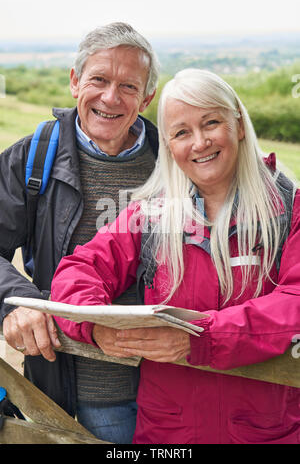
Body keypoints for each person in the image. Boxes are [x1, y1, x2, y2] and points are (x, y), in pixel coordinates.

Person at [51, 68, 300, 444]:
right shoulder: (149, 215)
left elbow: (294, 304)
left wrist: (199, 340)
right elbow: (78, 271)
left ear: (239, 124)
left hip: (267, 432)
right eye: (182, 133)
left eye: (211, 123)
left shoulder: (290, 208)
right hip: (167, 435)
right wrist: (97, 327)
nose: (199, 142)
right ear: (169, 145)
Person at [0, 22, 159, 443]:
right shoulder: (32, 159)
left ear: (148, 97)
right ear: (75, 82)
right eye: (99, 80)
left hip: (172, 389)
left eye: (128, 86)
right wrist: (19, 302)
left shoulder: (174, 161)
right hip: (76, 389)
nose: (111, 97)